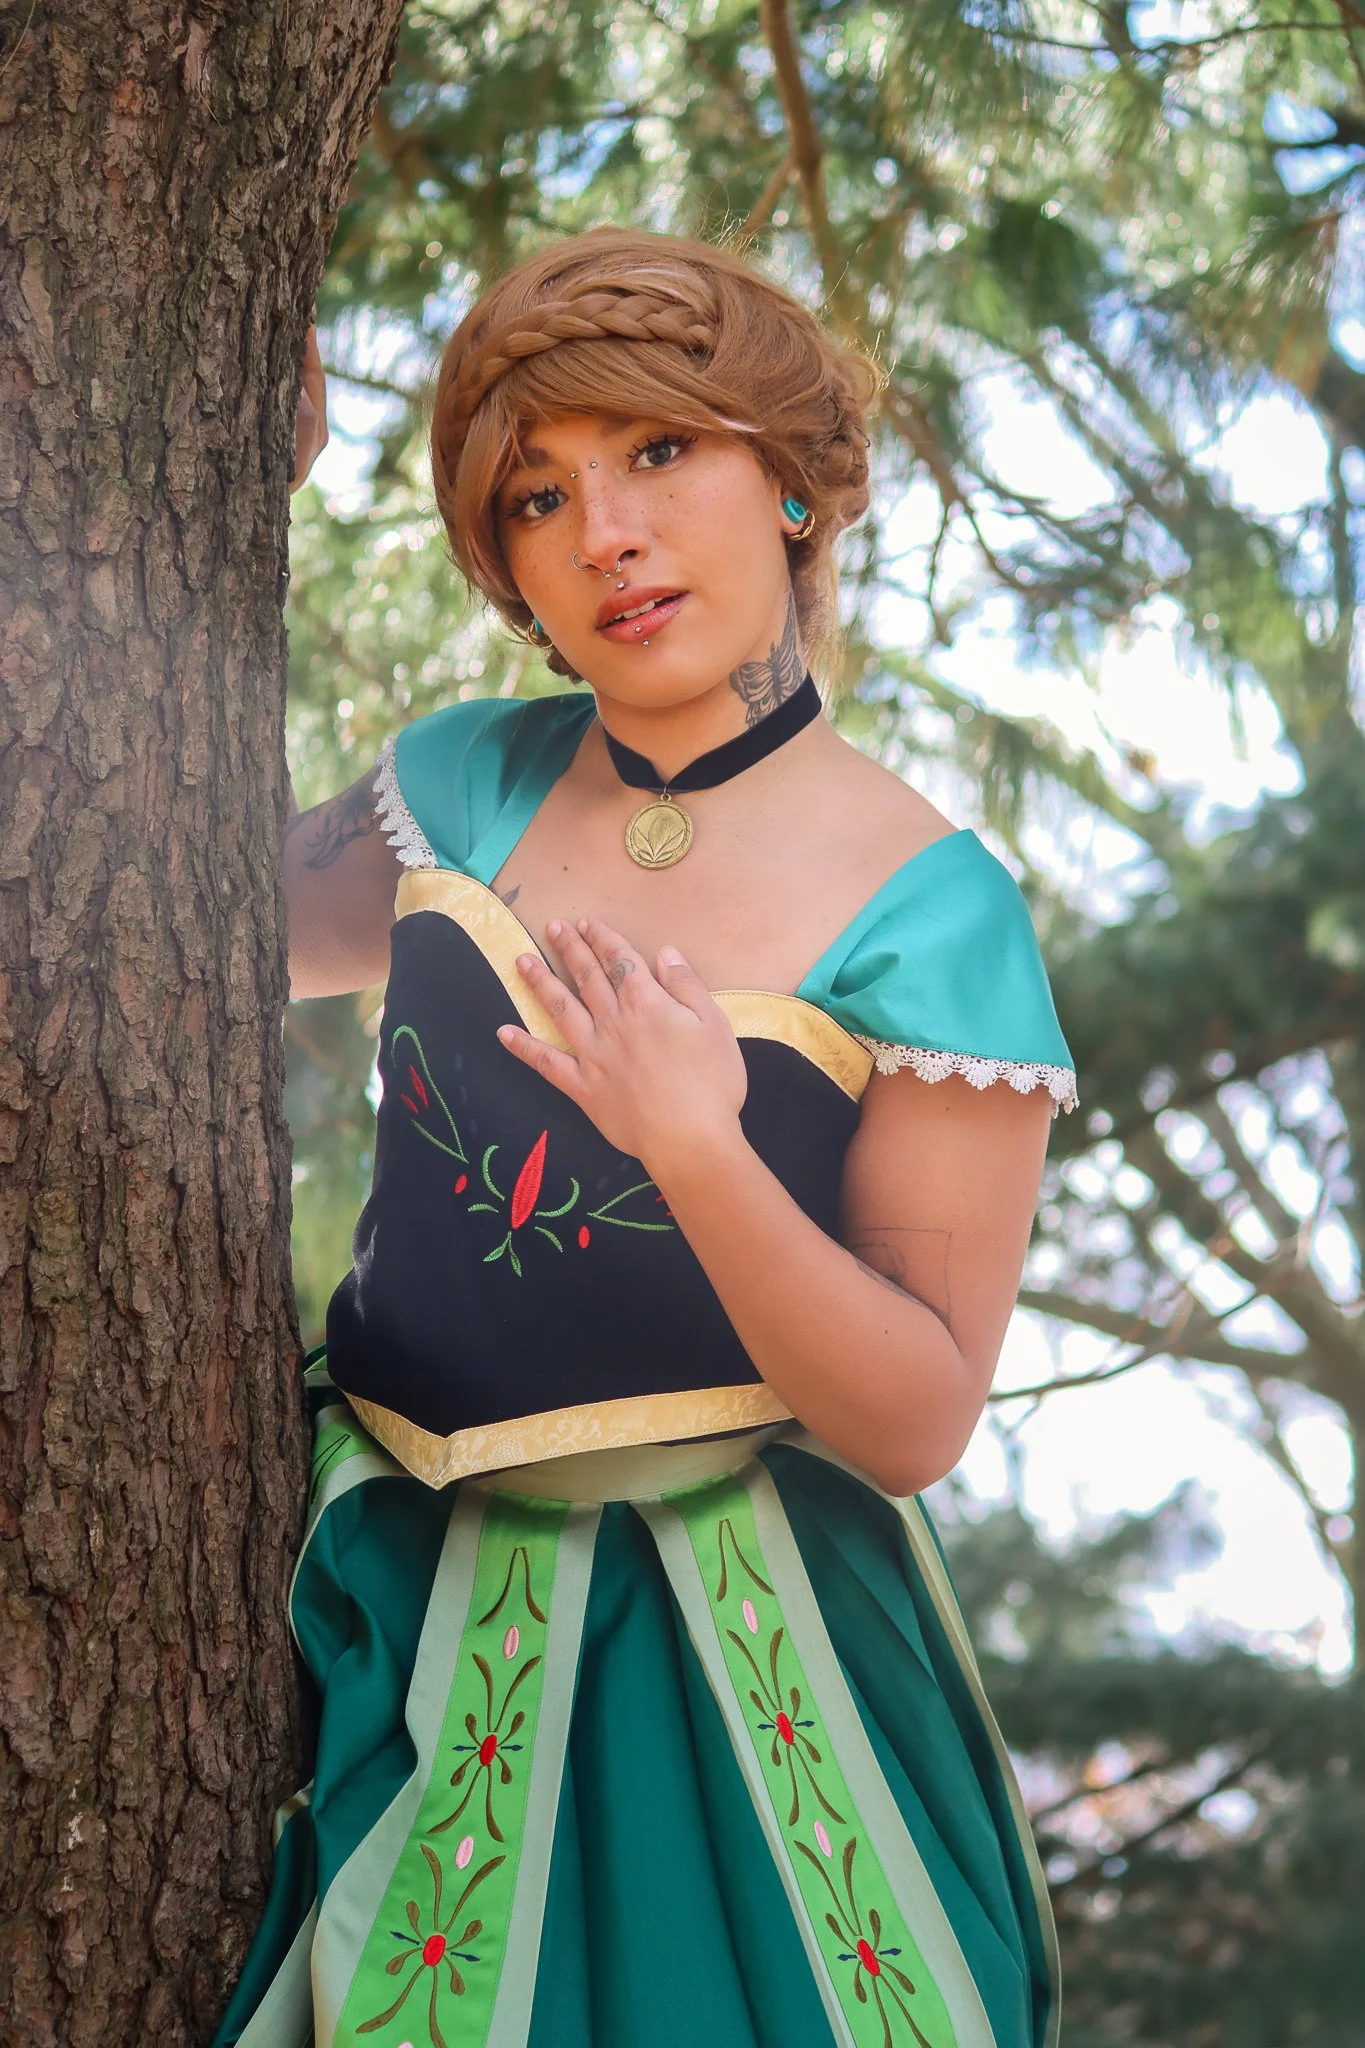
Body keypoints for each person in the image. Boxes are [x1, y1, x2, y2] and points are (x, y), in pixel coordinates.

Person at [217, 227, 1076, 2048]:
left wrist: (700, 1147)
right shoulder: (458, 784)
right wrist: (223, 493)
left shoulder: (934, 919)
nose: (605, 531)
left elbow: (914, 1415)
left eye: (660, 451)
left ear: (796, 480)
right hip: (368, 1586)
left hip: (731, 1670)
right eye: (539, 496)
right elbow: (164, 913)